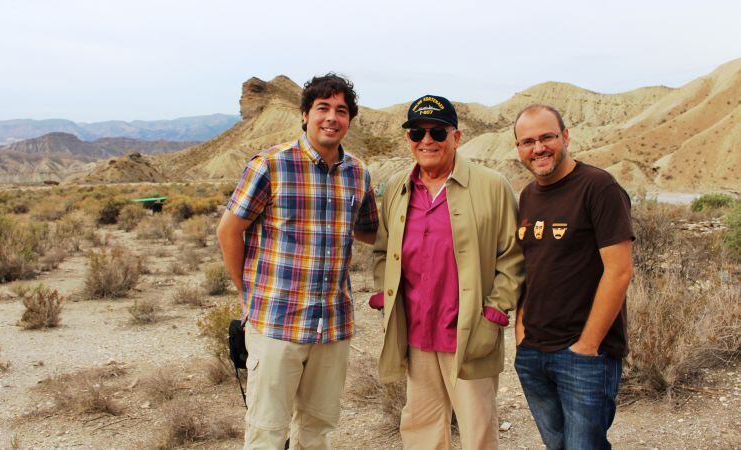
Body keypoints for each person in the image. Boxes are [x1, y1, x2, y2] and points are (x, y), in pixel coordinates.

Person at [216, 73, 379, 450]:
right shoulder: (271, 165)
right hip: (276, 322)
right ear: (305, 114)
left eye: (341, 110)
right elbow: (229, 231)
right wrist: (248, 293)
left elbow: (371, 231)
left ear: (349, 120)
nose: (331, 118)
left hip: (332, 326)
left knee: (317, 428)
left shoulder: (357, 173)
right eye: (323, 108)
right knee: (266, 431)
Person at [372, 95, 524, 449]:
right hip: (416, 334)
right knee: (421, 429)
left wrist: (494, 313)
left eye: (437, 132)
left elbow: (513, 258)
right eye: (417, 133)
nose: (427, 141)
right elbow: (382, 250)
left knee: (477, 432)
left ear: (456, 137)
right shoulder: (397, 187)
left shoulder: (491, 185)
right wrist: (384, 295)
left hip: (469, 334)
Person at [512, 104, 635, 450]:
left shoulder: (599, 186)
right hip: (533, 351)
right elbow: (530, 266)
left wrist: (587, 345)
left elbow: (620, 269)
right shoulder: (528, 196)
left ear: (565, 137)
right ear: (519, 149)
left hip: (583, 355)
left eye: (547, 137)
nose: (538, 148)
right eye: (528, 141)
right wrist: (521, 329)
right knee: (557, 446)